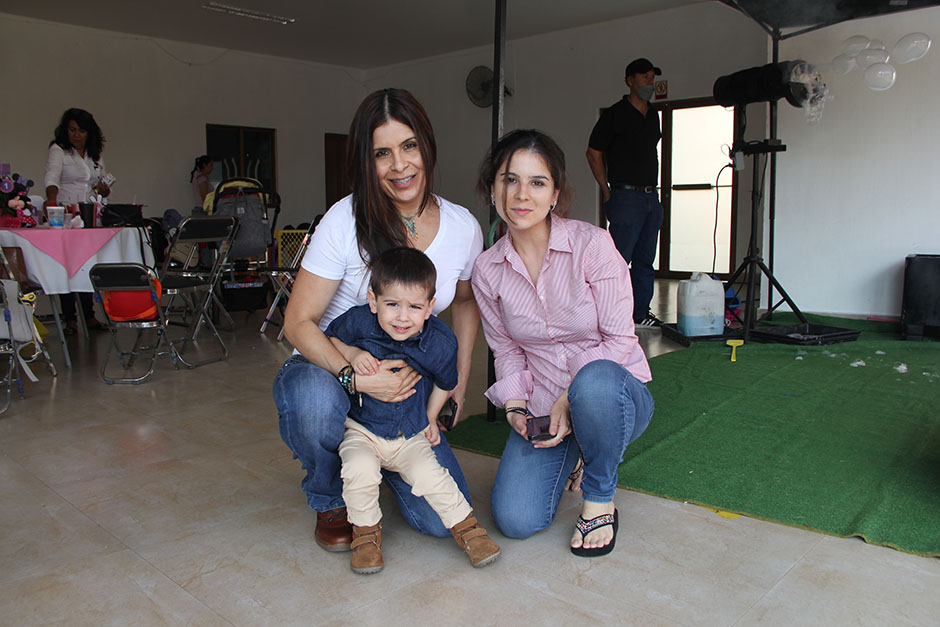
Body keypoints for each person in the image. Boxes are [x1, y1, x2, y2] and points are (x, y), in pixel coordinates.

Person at [273, 88, 484, 554]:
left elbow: (465, 301)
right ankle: (331, 496)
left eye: (409, 146)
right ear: (366, 162)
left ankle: (379, 462)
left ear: (427, 145)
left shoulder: (463, 226)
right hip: (329, 371)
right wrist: (354, 378)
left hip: (406, 400)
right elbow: (297, 322)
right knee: (312, 403)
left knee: (438, 519)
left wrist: (458, 380)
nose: (399, 165)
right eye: (381, 153)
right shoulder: (343, 220)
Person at [473, 129, 654, 557]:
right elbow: (506, 349)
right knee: (516, 520)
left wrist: (570, 397)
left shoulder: (592, 245)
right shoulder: (487, 270)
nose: (521, 194)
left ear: (555, 193)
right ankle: (575, 448)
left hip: (613, 396)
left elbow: (619, 338)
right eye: (509, 179)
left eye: (537, 182)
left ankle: (598, 496)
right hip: (544, 410)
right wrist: (516, 407)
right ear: (492, 189)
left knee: (592, 381)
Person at [326, 247, 500, 574]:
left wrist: (432, 417)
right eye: (392, 305)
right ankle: (365, 537)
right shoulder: (359, 321)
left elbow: (446, 382)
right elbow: (328, 340)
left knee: (433, 477)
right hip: (362, 429)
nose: (403, 317)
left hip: (411, 432)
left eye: (415, 307)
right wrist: (350, 352)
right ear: (373, 300)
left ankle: (469, 531)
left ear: (430, 308)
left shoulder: (440, 341)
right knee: (358, 471)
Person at [586, 57, 665, 328]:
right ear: (630, 81)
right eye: (644, 77)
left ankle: (639, 314)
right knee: (618, 262)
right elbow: (593, 152)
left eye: (652, 78)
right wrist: (606, 190)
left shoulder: (653, 114)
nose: (650, 83)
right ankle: (610, 317)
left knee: (645, 261)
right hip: (625, 198)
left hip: (650, 198)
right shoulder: (615, 115)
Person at [43, 108, 110, 333]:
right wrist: (52, 202)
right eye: (72, 130)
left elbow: (102, 183)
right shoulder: (59, 150)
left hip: (91, 216)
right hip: (66, 216)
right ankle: (70, 318)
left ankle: (89, 315)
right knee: (67, 267)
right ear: (66, 130)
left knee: (87, 265)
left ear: (89, 133)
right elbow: (52, 178)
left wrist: (104, 189)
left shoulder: (95, 154)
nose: (77, 135)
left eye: (81, 131)